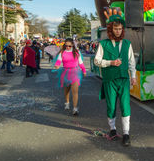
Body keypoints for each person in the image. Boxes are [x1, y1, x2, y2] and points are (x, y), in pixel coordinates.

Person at [94, 15, 136, 146]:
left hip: (123, 79)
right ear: (110, 29)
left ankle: (126, 133)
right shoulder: (103, 44)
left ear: (122, 29)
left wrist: (133, 76)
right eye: (115, 28)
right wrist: (110, 62)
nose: (117, 31)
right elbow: (97, 61)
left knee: (125, 105)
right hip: (109, 79)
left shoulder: (127, 44)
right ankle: (112, 129)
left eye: (120, 29)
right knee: (111, 105)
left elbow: (131, 62)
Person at [54, 38, 86, 115]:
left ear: (72, 45)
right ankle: (67, 102)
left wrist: (84, 70)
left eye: (69, 46)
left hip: (75, 72)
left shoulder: (77, 52)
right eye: (66, 45)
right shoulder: (62, 52)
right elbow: (58, 61)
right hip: (65, 72)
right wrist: (57, 65)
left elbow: (80, 63)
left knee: (75, 92)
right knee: (67, 91)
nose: (68, 47)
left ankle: (75, 109)